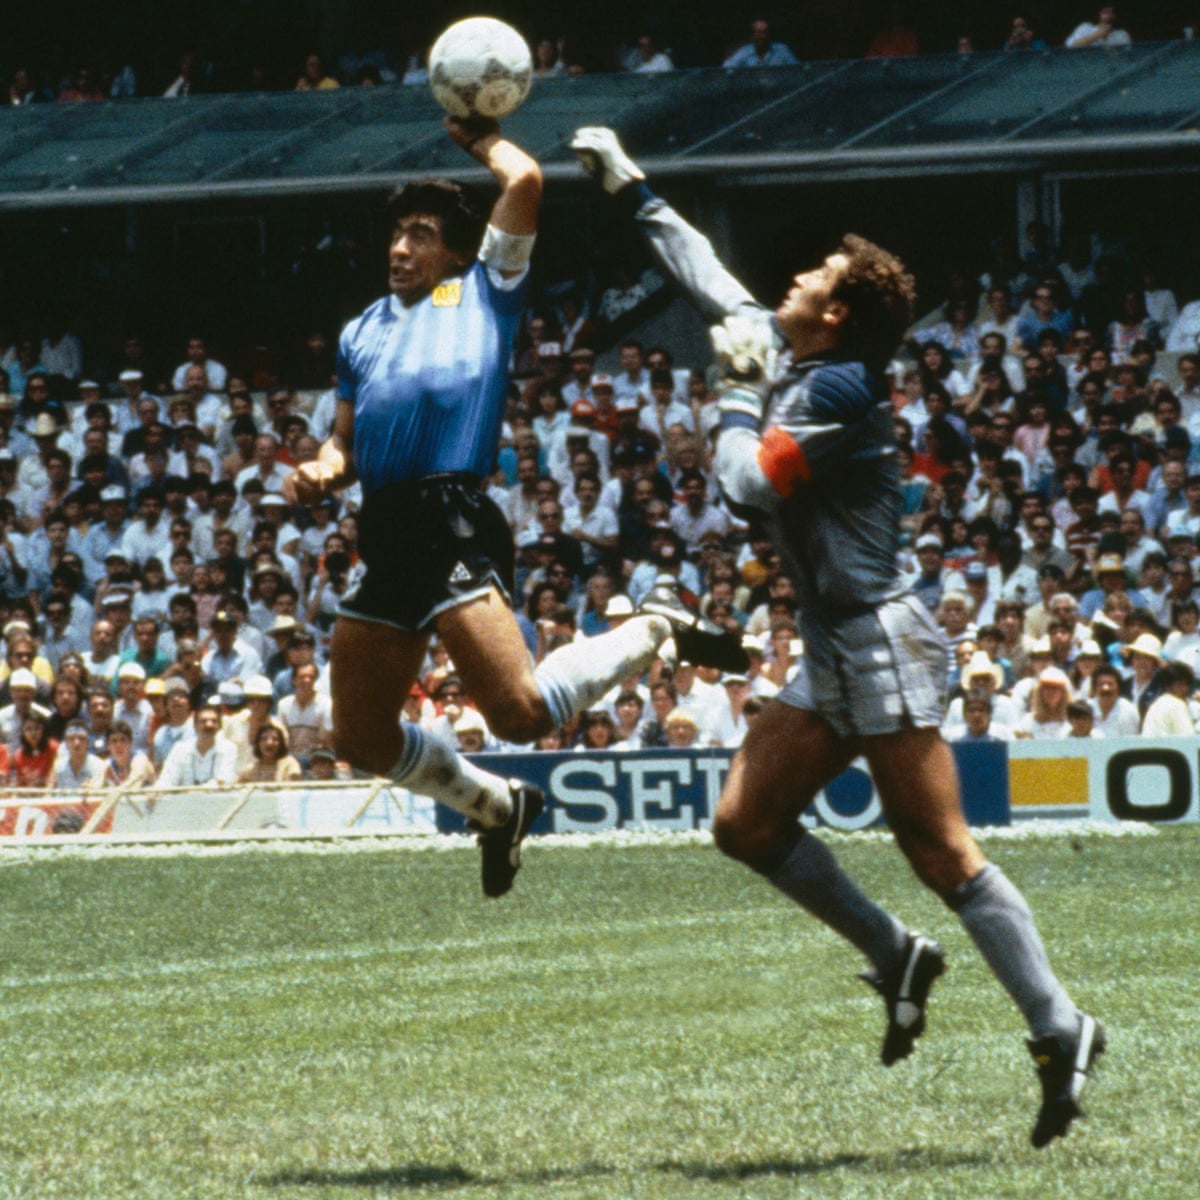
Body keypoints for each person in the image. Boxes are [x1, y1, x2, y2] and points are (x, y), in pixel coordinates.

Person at [569, 125, 1103, 1147]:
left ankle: (1061, 1025)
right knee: (744, 825)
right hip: (837, 644)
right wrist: (630, 186)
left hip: (882, 642)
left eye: (813, 274)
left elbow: (738, 488)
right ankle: (900, 956)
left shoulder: (840, 388)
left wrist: (726, 395)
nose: (793, 278)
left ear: (838, 310)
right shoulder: (796, 350)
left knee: (942, 852)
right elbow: (710, 280)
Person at [283, 117, 728, 899]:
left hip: (451, 511)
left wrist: (477, 135)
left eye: (420, 234)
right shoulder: (361, 332)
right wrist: (319, 472)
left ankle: (655, 624)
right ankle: (495, 805)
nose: (400, 248)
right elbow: (342, 446)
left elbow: (523, 180)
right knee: (357, 733)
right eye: (396, 234)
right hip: (385, 525)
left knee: (520, 714)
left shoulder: (485, 289)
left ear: (455, 250)